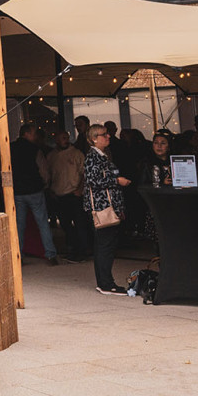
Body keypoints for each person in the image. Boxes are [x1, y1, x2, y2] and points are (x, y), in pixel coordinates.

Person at [83, 124, 130, 294]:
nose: (108, 137)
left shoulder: (102, 155)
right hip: (103, 207)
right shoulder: (93, 157)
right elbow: (93, 181)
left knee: (105, 245)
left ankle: (105, 281)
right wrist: (117, 181)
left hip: (108, 205)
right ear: (94, 139)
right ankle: (106, 283)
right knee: (105, 246)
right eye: (104, 135)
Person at [11, 123, 59, 266]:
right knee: (43, 222)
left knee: (19, 225)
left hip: (18, 191)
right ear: (26, 133)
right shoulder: (35, 149)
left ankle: (19, 255)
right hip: (34, 190)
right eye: (33, 133)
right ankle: (50, 254)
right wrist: (45, 184)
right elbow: (43, 170)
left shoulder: (10, 148)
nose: (36, 136)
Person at [47, 130, 89, 261]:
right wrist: (51, 190)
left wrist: (80, 189)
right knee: (65, 224)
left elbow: (85, 173)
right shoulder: (51, 156)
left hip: (74, 194)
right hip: (59, 194)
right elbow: (48, 174)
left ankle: (83, 251)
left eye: (66, 137)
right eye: (62, 138)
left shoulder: (76, 153)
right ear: (56, 140)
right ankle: (72, 248)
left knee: (80, 224)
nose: (65, 140)